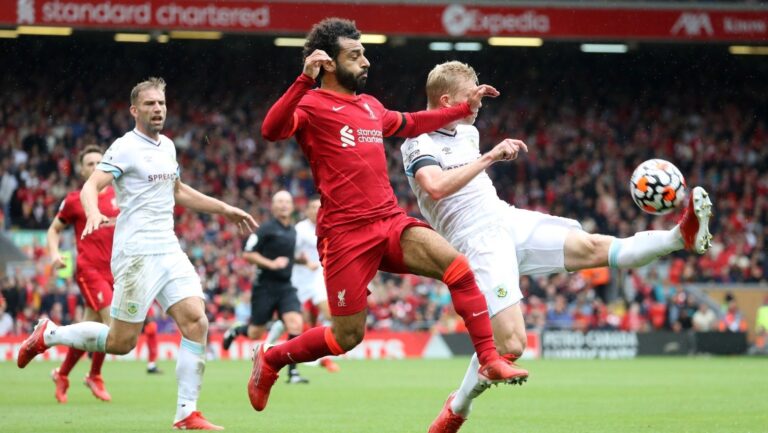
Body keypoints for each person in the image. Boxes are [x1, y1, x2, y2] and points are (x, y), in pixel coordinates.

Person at [399, 60, 714, 433]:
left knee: (593, 246)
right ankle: (458, 406)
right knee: (512, 343)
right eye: (472, 96)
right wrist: (490, 157)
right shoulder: (416, 141)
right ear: (447, 99)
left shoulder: (468, 132)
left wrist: (473, 104)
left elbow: (464, 137)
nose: (479, 103)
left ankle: (681, 237)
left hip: (507, 219)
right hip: (476, 241)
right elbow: (435, 187)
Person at [250, 17, 526, 415]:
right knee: (347, 337)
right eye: (356, 55)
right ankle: (272, 360)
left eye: (364, 54)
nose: (366, 62)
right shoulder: (309, 104)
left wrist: (465, 108)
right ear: (327, 63)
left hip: (388, 220)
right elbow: (271, 130)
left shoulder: (370, 106)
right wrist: (301, 80)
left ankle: (489, 358)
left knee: (458, 267)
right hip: (344, 235)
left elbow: (414, 122)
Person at [17, 77, 257, 430]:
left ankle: (186, 412)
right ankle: (50, 334)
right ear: (135, 110)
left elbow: (178, 191)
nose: (157, 109)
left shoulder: (168, 147)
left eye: (161, 103)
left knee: (197, 320)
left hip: (168, 248)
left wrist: (225, 209)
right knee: (120, 342)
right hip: (136, 254)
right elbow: (90, 186)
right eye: (149, 104)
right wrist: (94, 210)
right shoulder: (125, 147)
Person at [46, 144, 117, 403]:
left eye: (100, 162)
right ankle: (94, 375)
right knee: (112, 326)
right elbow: (54, 229)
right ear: (81, 170)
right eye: (90, 164)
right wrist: (55, 254)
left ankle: (62, 374)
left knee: (88, 331)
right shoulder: (75, 200)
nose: (96, 166)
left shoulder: (120, 196)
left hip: (115, 273)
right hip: (90, 271)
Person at [223, 190, 309, 384]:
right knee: (256, 332)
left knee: (295, 323)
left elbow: (286, 259)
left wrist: (301, 262)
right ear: (273, 206)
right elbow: (247, 254)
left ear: (292, 206)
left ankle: (293, 373)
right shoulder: (265, 229)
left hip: (286, 286)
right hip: (265, 287)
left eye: (287, 202)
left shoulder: (293, 231)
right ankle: (236, 331)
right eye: (279, 202)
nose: (284, 205)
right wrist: (271, 264)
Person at [291, 195, 340, 372]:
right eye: (312, 207)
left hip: (319, 280)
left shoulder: (328, 227)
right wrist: (303, 262)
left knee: (328, 314)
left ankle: (324, 358)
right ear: (306, 211)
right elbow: (287, 255)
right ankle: (270, 348)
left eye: (319, 207)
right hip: (299, 282)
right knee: (300, 323)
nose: (316, 210)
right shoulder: (300, 230)